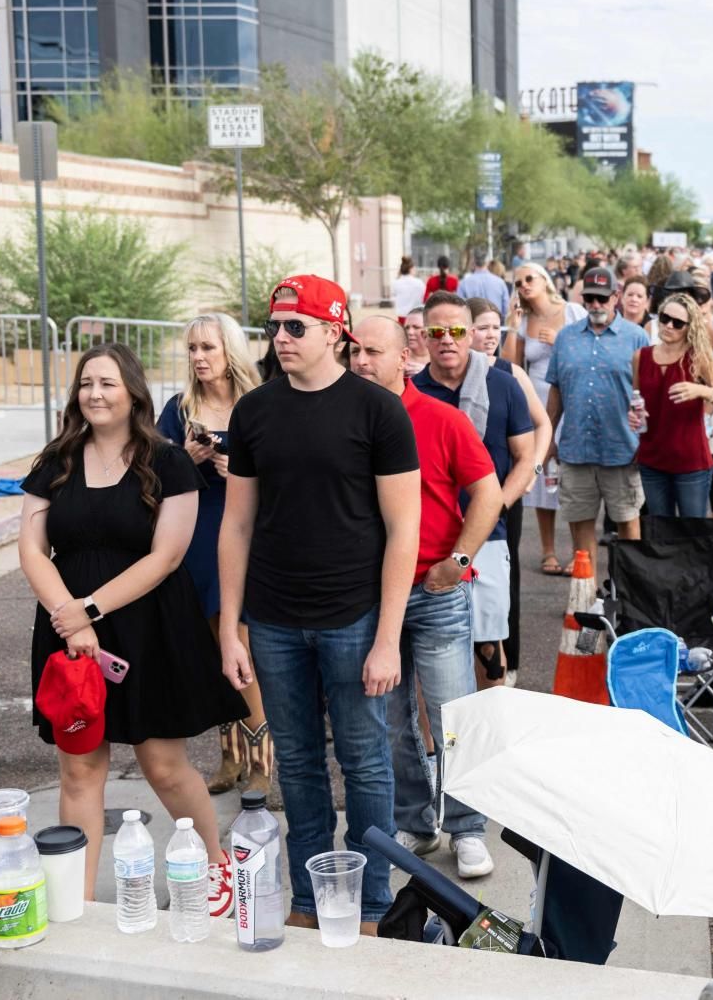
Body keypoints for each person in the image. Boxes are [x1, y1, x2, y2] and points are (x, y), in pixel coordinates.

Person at [218, 274, 421, 933]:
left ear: (335, 332)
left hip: (353, 620)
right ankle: (308, 900)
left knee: (364, 763)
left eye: (295, 327)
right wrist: (230, 628)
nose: (280, 339)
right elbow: (236, 526)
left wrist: (388, 636)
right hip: (273, 620)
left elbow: (404, 531)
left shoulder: (377, 412)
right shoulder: (254, 412)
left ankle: (370, 904)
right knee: (298, 764)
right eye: (273, 327)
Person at [19, 342, 245, 914]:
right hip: (68, 631)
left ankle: (216, 866)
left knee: (163, 764)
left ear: (133, 392)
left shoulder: (167, 461)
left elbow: (166, 556)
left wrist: (89, 609)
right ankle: (81, 898)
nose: (94, 394)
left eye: (108, 384)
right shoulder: (57, 459)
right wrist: (70, 620)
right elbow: (31, 548)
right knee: (79, 769)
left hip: (148, 627)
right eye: (86, 383)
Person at [349, 316, 502, 878]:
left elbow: (487, 493)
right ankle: (417, 821)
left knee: (450, 712)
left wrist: (459, 563)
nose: (360, 360)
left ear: (404, 358)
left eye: (372, 351)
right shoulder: (342, 419)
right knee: (389, 718)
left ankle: (467, 829)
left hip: (436, 590)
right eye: (353, 350)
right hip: (369, 594)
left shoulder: (442, 418)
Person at [156, 314, 273, 806]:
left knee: (241, 641)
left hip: (246, 532)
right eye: (192, 348)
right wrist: (186, 457)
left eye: (207, 347)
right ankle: (229, 758)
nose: (198, 357)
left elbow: (284, 469)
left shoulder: (261, 404)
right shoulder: (178, 408)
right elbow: (154, 474)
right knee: (211, 648)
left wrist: (239, 468)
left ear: (229, 349)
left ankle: (263, 762)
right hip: (198, 534)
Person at [415, 294, 540, 690]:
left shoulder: (503, 385)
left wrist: (495, 506)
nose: (447, 340)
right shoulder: (410, 395)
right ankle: (436, 752)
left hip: (488, 536)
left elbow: (524, 457)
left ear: (470, 334)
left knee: (489, 650)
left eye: (455, 331)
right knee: (430, 657)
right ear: (424, 337)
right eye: (437, 332)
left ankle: (490, 745)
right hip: (428, 541)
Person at [463, 296, 551, 681]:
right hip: (460, 498)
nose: (488, 335)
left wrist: (531, 467)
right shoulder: (451, 374)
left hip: (501, 496)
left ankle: (506, 663)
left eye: (493, 327)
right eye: (480, 327)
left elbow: (542, 424)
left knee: (502, 578)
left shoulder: (509, 373)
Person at [545, 266, 651, 583]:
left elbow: (649, 393)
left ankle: (631, 594)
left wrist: (646, 439)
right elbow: (556, 390)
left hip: (623, 448)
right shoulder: (566, 338)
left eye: (602, 299)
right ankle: (586, 595)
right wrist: (548, 438)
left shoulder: (637, 337)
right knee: (580, 524)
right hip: (576, 449)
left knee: (628, 523)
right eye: (590, 298)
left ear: (615, 298)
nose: (595, 305)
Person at [503, 261, 586, 577]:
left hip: (572, 399)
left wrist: (560, 341)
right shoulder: (525, 320)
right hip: (537, 403)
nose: (524, 284)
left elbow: (587, 347)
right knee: (541, 480)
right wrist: (512, 324)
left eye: (529, 278)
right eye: (518, 281)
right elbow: (509, 364)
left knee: (576, 481)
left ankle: (580, 552)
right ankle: (548, 550)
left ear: (545, 279)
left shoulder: (573, 311)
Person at [634, 287, 713, 518]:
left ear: (689, 328)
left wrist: (700, 389)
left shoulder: (698, 358)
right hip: (652, 456)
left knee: (693, 534)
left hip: (690, 460)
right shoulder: (641, 356)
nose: (669, 326)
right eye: (665, 318)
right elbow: (636, 400)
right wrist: (634, 414)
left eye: (678, 323)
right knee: (660, 530)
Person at [402, 307, 429, 377]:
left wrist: (426, 373)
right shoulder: (399, 356)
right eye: (407, 328)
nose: (410, 332)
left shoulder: (439, 357)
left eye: (416, 327)